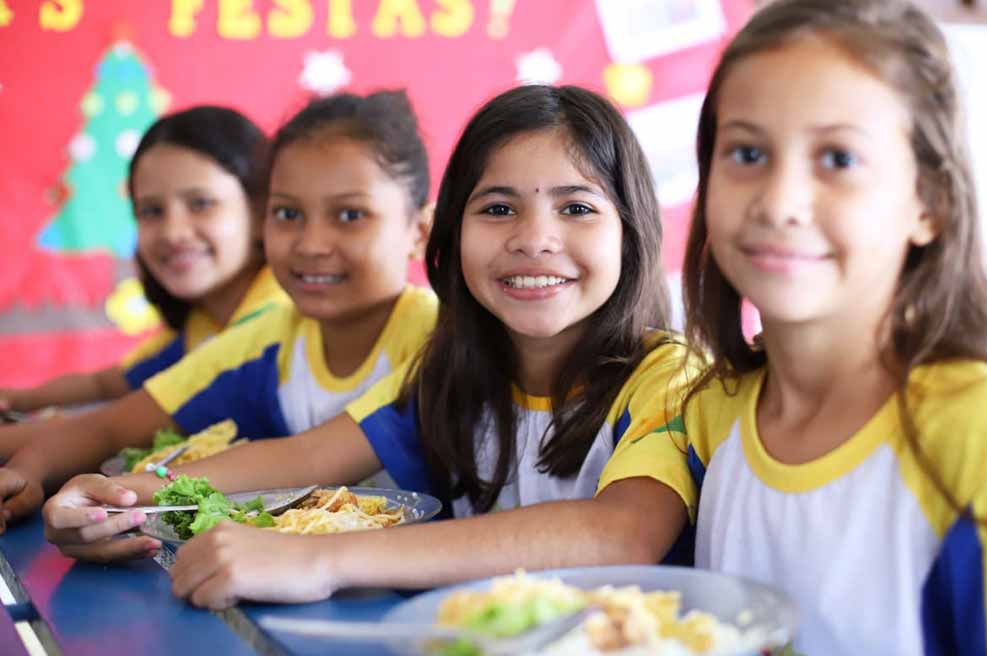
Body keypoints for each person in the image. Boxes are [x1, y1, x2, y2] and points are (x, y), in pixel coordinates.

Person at [44, 85, 693, 603]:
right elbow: (303, 459)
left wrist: (320, 558)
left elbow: (621, 531)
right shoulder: (450, 373)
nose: (534, 238)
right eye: (498, 208)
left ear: (633, 233)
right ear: (450, 238)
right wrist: (124, 496)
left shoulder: (668, 378)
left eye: (576, 208)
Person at [598, 0, 987, 653]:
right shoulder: (705, 413)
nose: (780, 201)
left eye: (839, 160)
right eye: (746, 152)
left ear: (929, 206)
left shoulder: (979, 434)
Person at [0, 92, 437, 549]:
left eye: (351, 215)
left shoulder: (437, 337)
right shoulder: (266, 339)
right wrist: (35, 474)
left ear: (419, 232)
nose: (311, 243)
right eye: (288, 214)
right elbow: (110, 424)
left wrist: (125, 494)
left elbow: (306, 458)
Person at [0, 106, 286, 440]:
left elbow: (115, 425)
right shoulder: (203, 323)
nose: (172, 233)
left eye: (201, 204)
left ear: (260, 210)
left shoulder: (276, 315)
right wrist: (16, 398)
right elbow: (105, 383)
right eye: (151, 211)